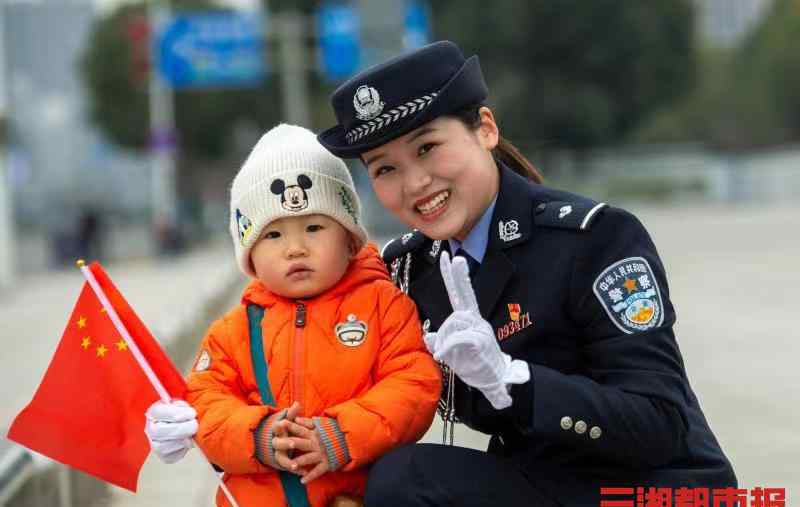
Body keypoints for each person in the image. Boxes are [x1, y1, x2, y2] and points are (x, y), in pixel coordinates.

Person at [313, 40, 738, 506]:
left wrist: (514, 381)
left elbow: (659, 423)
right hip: (537, 481)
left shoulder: (593, 239)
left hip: (653, 486)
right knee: (391, 478)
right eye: (386, 169)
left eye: (429, 147)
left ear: (486, 130)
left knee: (407, 479)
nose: (415, 184)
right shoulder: (410, 272)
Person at [144, 124, 441, 507]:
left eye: (314, 227)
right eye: (273, 235)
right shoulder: (232, 332)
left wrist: (340, 435)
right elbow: (205, 401)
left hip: (356, 495)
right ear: (249, 254)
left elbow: (414, 386)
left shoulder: (385, 308)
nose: (295, 248)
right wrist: (258, 436)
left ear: (350, 237)